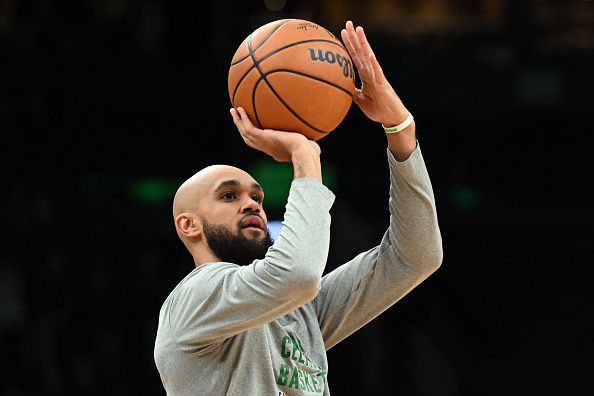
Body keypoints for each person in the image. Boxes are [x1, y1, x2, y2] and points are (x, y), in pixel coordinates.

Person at [154, 20, 443, 395]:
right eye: (228, 196)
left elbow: (416, 257)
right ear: (189, 225)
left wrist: (400, 131)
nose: (250, 204)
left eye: (256, 197)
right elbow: (299, 275)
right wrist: (304, 155)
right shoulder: (194, 300)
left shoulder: (297, 309)